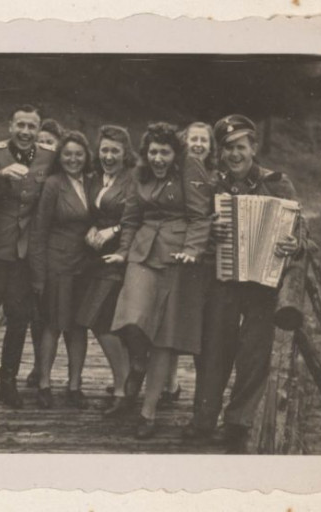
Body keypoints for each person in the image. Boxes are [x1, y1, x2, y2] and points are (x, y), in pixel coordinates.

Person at [181, 114, 303, 453]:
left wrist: (294, 243)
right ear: (219, 152)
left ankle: (237, 423)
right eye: (227, 148)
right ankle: (204, 419)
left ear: (253, 148)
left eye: (240, 147)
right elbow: (193, 226)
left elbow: (303, 234)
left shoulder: (278, 184)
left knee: (254, 354)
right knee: (213, 349)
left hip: (263, 282)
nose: (234, 154)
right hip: (224, 280)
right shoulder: (213, 186)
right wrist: (211, 231)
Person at [104, 122, 214, 439]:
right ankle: (138, 363)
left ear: (175, 154)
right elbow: (130, 219)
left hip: (177, 259)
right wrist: (123, 252)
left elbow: (200, 216)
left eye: (165, 152)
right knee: (130, 319)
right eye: (153, 152)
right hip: (142, 253)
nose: (158, 158)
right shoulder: (140, 174)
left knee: (164, 338)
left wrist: (192, 250)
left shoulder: (189, 169)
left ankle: (148, 412)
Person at [0, 104, 56, 409]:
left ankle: (8, 381)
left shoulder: (48, 156)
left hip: (24, 253)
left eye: (32, 126)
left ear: (39, 128)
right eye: (21, 125)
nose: (26, 132)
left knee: (19, 319)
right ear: (10, 126)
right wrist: (0, 176)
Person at [29, 131, 94, 409]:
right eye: (67, 154)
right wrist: (38, 274)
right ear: (60, 156)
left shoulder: (92, 182)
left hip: (84, 265)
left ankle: (75, 385)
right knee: (53, 325)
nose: (73, 159)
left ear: (86, 156)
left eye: (79, 154)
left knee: (78, 328)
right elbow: (39, 230)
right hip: (58, 264)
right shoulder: (53, 184)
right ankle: (44, 384)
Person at [75, 125, 136, 417]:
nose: (108, 156)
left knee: (102, 323)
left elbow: (139, 216)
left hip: (119, 257)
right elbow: (88, 211)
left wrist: (113, 230)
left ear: (125, 153)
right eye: (104, 150)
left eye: (115, 151)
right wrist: (90, 227)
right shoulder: (95, 178)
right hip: (94, 259)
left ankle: (124, 390)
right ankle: (124, 384)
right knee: (104, 323)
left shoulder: (133, 179)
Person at [157, 121, 219, 408]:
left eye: (204, 141)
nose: (198, 144)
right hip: (182, 252)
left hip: (209, 257)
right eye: (193, 139)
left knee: (199, 328)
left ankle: (200, 396)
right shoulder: (178, 171)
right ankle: (169, 384)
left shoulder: (217, 175)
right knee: (172, 323)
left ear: (211, 146)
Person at [24, 117, 64, 388]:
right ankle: (38, 364)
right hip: (28, 245)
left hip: (53, 250)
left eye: (50, 142)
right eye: (40, 142)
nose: (44, 146)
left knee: (50, 315)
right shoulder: (31, 169)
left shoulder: (61, 176)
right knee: (34, 314)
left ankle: (44, 367)